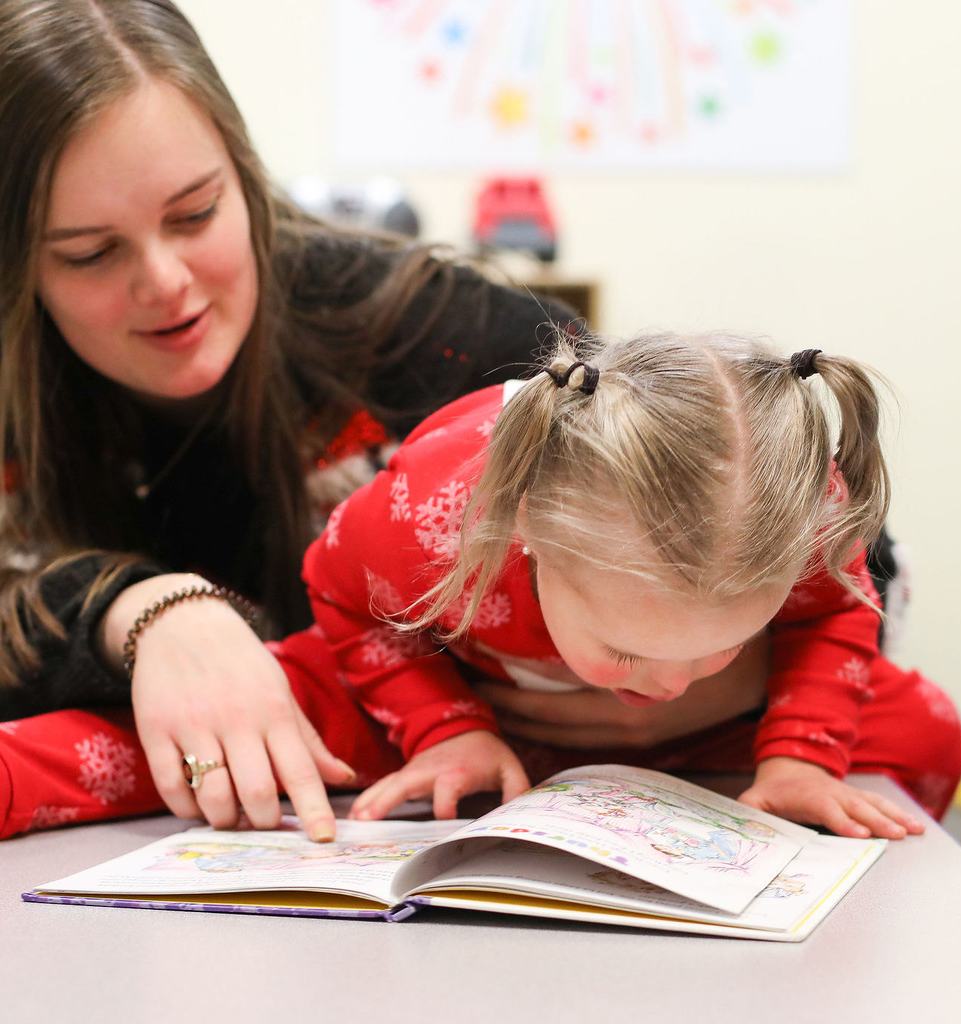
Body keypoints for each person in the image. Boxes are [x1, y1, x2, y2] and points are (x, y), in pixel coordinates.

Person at [0, 0, 586, 841]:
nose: (165, 281)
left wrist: (727, 673)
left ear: (246, 176)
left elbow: (768, 509)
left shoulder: (427, 332)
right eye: (91, 254)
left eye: (196, 213)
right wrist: (133, 609)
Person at [284, 332, 961, 837]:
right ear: (530, 530)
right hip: (477, 706)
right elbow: (340, 592)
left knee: (922, 730)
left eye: (720, 645)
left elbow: (831, 618)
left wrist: (800, 758)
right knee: (265, 707)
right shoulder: (433, 514)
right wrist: (442, 730)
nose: (670, 687)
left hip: (713, 736)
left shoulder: (800, 511)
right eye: (627, 649)